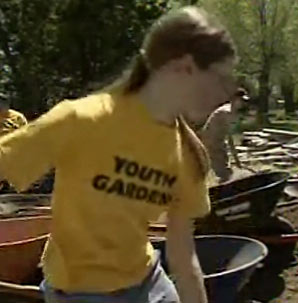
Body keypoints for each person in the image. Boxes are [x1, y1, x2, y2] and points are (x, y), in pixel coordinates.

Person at [0, 6, 236, 303]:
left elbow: (184, 257)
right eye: (218, 79)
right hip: (78, 295)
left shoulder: (187, 154)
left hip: (150, 284)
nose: (223, 93)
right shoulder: (82, 120)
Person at [198, 87, 249, 183]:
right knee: (224, 173)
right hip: (212, 141)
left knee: (225, 169)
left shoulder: (230, 110)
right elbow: (230, 139)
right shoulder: (226, 112)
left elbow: (227, 137)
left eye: (244, 101)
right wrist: (237, 160)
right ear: (234, 100)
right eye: (241, 100)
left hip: (218, 141)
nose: (242, 103)